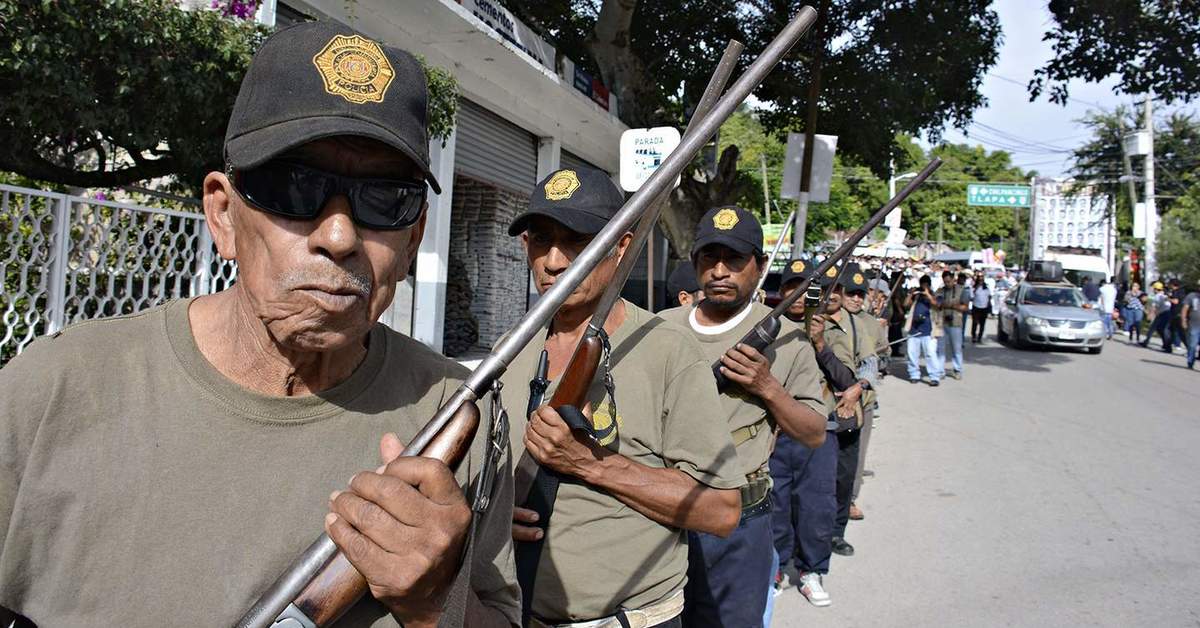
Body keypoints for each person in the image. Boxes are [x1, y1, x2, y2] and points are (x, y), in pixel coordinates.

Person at [0, 22, 520, 627]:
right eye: (296, 187)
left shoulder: (457, 417)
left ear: (413, 241)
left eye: (383, 199)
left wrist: (436, 603)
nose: (339, 236)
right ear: (223, 214)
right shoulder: (51, 392)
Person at [502, 168, 743, 628]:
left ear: (622, 246)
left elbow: (721, 509)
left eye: (577, 240)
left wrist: (591, 463)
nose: (553, 260)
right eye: (540, 240)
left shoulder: (669, 350)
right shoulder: (508, 350)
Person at [659, 206, 828, 628]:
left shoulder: (788, 339)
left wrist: (767, 386)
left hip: (740, 521)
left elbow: (813, 433)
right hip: (661, 512)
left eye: (734, 259)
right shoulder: (660, 328)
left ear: (758, 266)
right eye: (708, 258)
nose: (719, 270)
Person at [768, 259, 857, 607]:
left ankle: (811, 571)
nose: (800, 296)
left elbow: (848, 383)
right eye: (792, 287)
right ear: (782, 291)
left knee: (816, 505)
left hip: (818, 431)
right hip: (775, 431)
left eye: (807, 289)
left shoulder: (831, 330)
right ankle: (774, 568)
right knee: (773, 504)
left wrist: (820, 344)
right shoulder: (767, 327)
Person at [905, 275, 942, 385]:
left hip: (929, 331)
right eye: (922, 284)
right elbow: (906, 305)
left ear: (929, 285)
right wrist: (911, 294)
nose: (923, 287)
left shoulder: (935, 295)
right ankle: (914, 375)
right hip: (914, 330)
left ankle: (934, 377)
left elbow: (937, 305)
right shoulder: (916, 295)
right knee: (912, 353)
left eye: (926, 285)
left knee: (930, 354)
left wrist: (928, 295)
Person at [935, 270, 970, 380]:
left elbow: (965, 307)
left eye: (949, 281)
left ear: (953, 280)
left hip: (955, 323)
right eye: (945, 282)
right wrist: (940, 304)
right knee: (940, 349)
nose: (947, 284)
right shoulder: (940, 291)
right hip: (942, 323)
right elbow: (936, 304)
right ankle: (940, 371)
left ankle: (957, 369)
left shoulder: (962, 290)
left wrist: (951, 306)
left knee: (957, 348)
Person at [1141, 281, 1175, 351]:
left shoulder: (1156, 297)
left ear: (1156, 289)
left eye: (1154, 288)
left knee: (1156, 328)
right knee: (1160, 329)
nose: (1153, 290)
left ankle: (1167, 346)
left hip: (1163, 314)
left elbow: (1154, 308)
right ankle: (1165, 344)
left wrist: (1150, 315)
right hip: (1166, 313)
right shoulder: (1164, 295)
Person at [1181, 280, 1200, 369]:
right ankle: (1190, 361)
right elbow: (1185, 308)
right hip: (1194, 325)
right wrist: (1183, 320)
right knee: (1192, 344)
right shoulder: (1192, 296)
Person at [969, 270, 991, 343]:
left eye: (982, 278)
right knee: (975, 322)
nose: (981, 280)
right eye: (979, 278)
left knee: (982, 324)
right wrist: (976, 288)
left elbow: (989, 297)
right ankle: (974, 336)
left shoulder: (986, 288)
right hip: (976, 307)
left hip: (984, 308)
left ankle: (980, 337)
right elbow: (971, 296)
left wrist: (988, 306)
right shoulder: (974, 287)